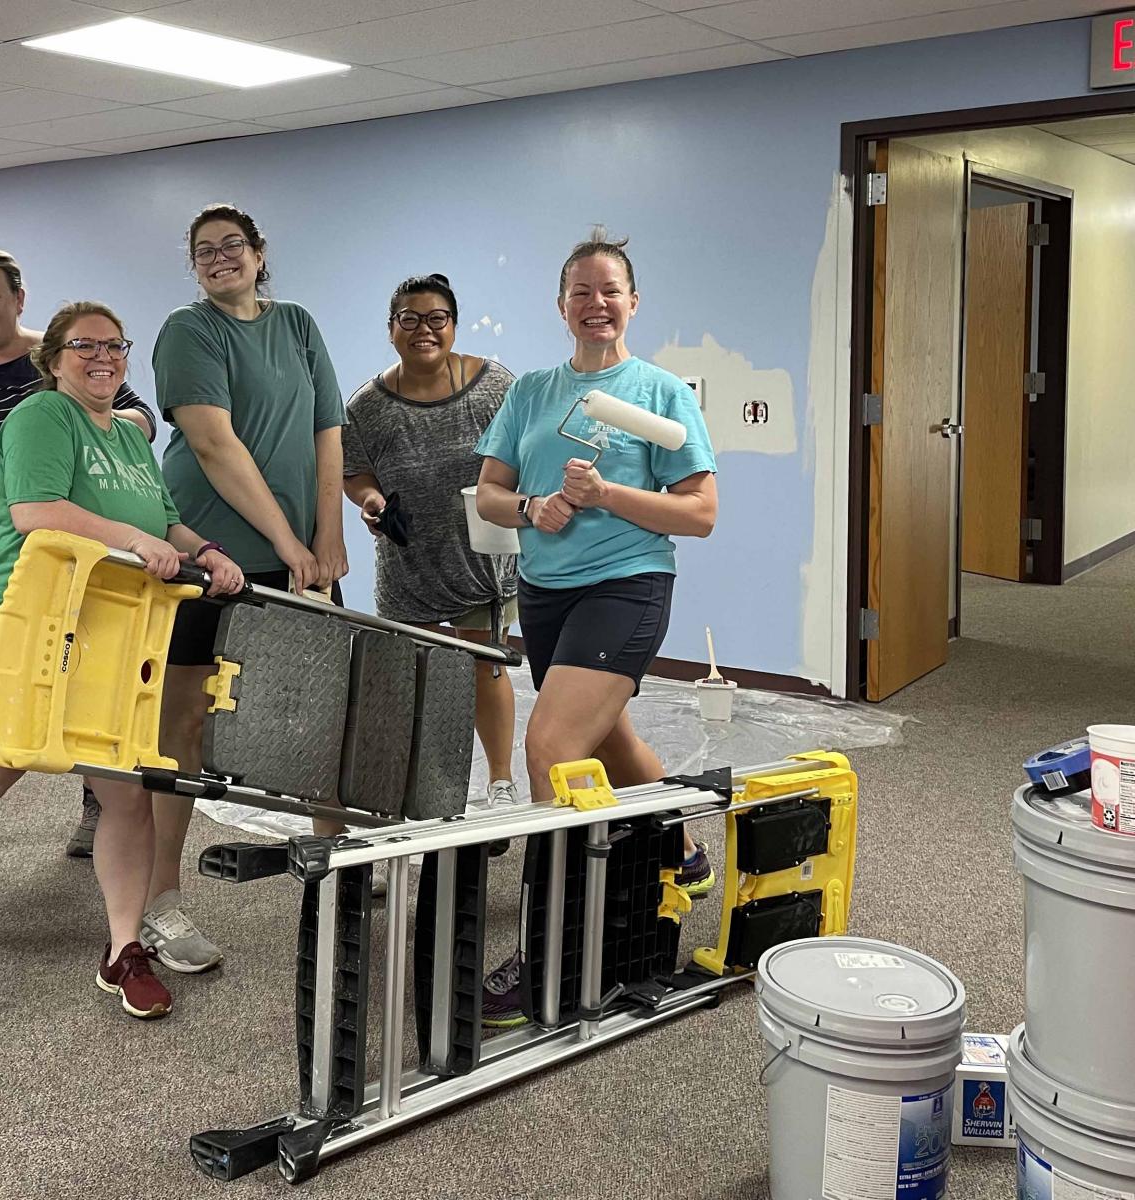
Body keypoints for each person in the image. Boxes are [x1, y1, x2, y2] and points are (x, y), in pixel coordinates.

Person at [0, 301, 244, 1021]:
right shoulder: (40, 418)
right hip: (30, 635)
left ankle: (123, 950)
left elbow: (162, 520)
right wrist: (133, 541)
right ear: (53, 359)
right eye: (85, 347)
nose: (103, 358)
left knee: (125, 796)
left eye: (115, 346)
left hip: (113, 644)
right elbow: (36, 512)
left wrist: (204, 550)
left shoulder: (127, 436)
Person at [473, 230, 720, 1027]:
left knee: (549, 745)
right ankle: (677, 845)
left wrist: (608, 495)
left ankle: (553, 947)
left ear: (633, 301)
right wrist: (531, 509)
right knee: (604, 734)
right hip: (544, 590)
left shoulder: (659, 394)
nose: (596, 303)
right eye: (581, 291)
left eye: (610, 289)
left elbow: (701, 513)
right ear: (562, 306)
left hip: (628, 582)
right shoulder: (534, 392)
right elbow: (488, 496)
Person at [145, 202, 346, 972]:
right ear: (193, 265)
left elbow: (328, 430)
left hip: (297, 555)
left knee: (331, 712)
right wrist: (288, 539)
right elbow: (212, 443)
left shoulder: (297, 324)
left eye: (234, 245)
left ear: (261, 252)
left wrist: (327, 532)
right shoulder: (189, 330)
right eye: (205, 250)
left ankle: (336, 869)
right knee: (183, 727)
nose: (221, 257)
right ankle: (161, 902)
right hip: (207, 552)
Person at [0, 249, 158, 859]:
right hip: (16, 562)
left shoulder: (80, 353)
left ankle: (96, 810)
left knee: (95, 706)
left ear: (18, 298)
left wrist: (98, 430)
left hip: (101, 566)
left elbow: (139, 419)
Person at [342, 273, 519, 816]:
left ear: (453, 325)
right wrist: (371, 500)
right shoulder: (367, 405)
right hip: (408, 562)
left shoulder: (494, 385)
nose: (424, 330)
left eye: (436, 318)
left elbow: (520, 453)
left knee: (483, 664)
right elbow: (354, 472)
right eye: (410, 319)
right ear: (391, 329)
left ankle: (501, 782)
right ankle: (414, 793)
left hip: (480, 558)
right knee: (408, 678)